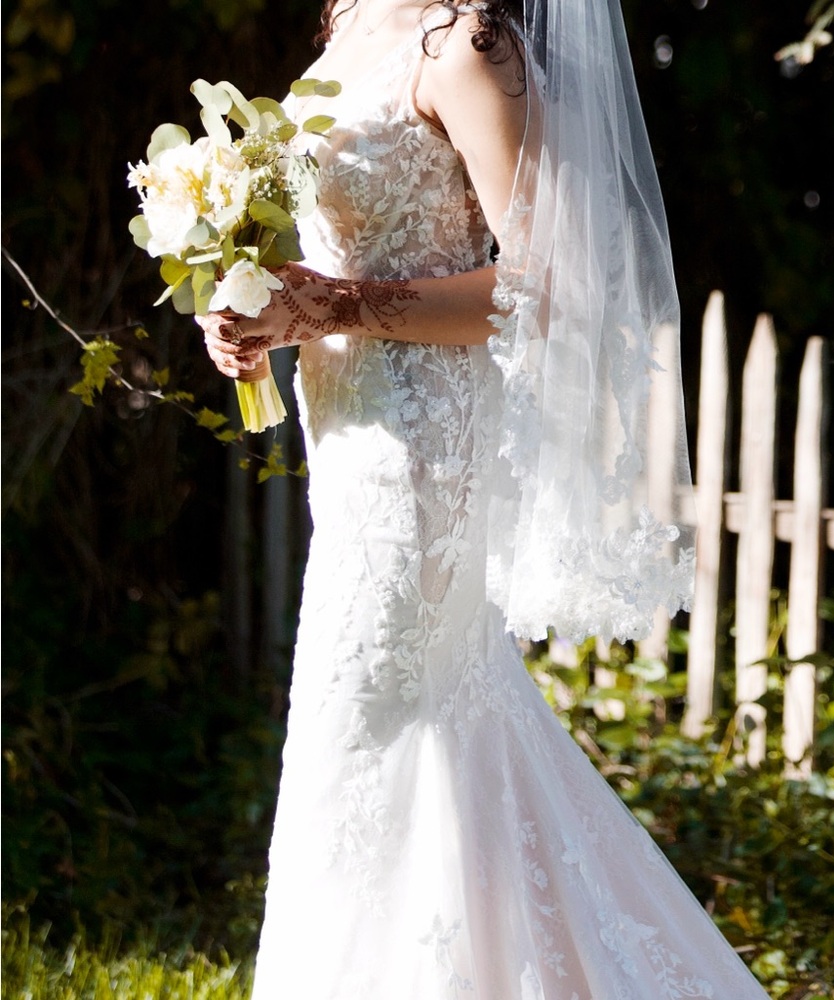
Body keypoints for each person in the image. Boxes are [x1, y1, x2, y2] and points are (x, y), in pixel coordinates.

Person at [200, 1, 771, 996]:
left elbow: (547, 288)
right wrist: (260, 312)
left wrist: (334, 306)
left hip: (428, 449)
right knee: (390, 710)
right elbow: (338, 245)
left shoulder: (467, 46)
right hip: (351, 437)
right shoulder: (353, 17)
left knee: (386, 710)